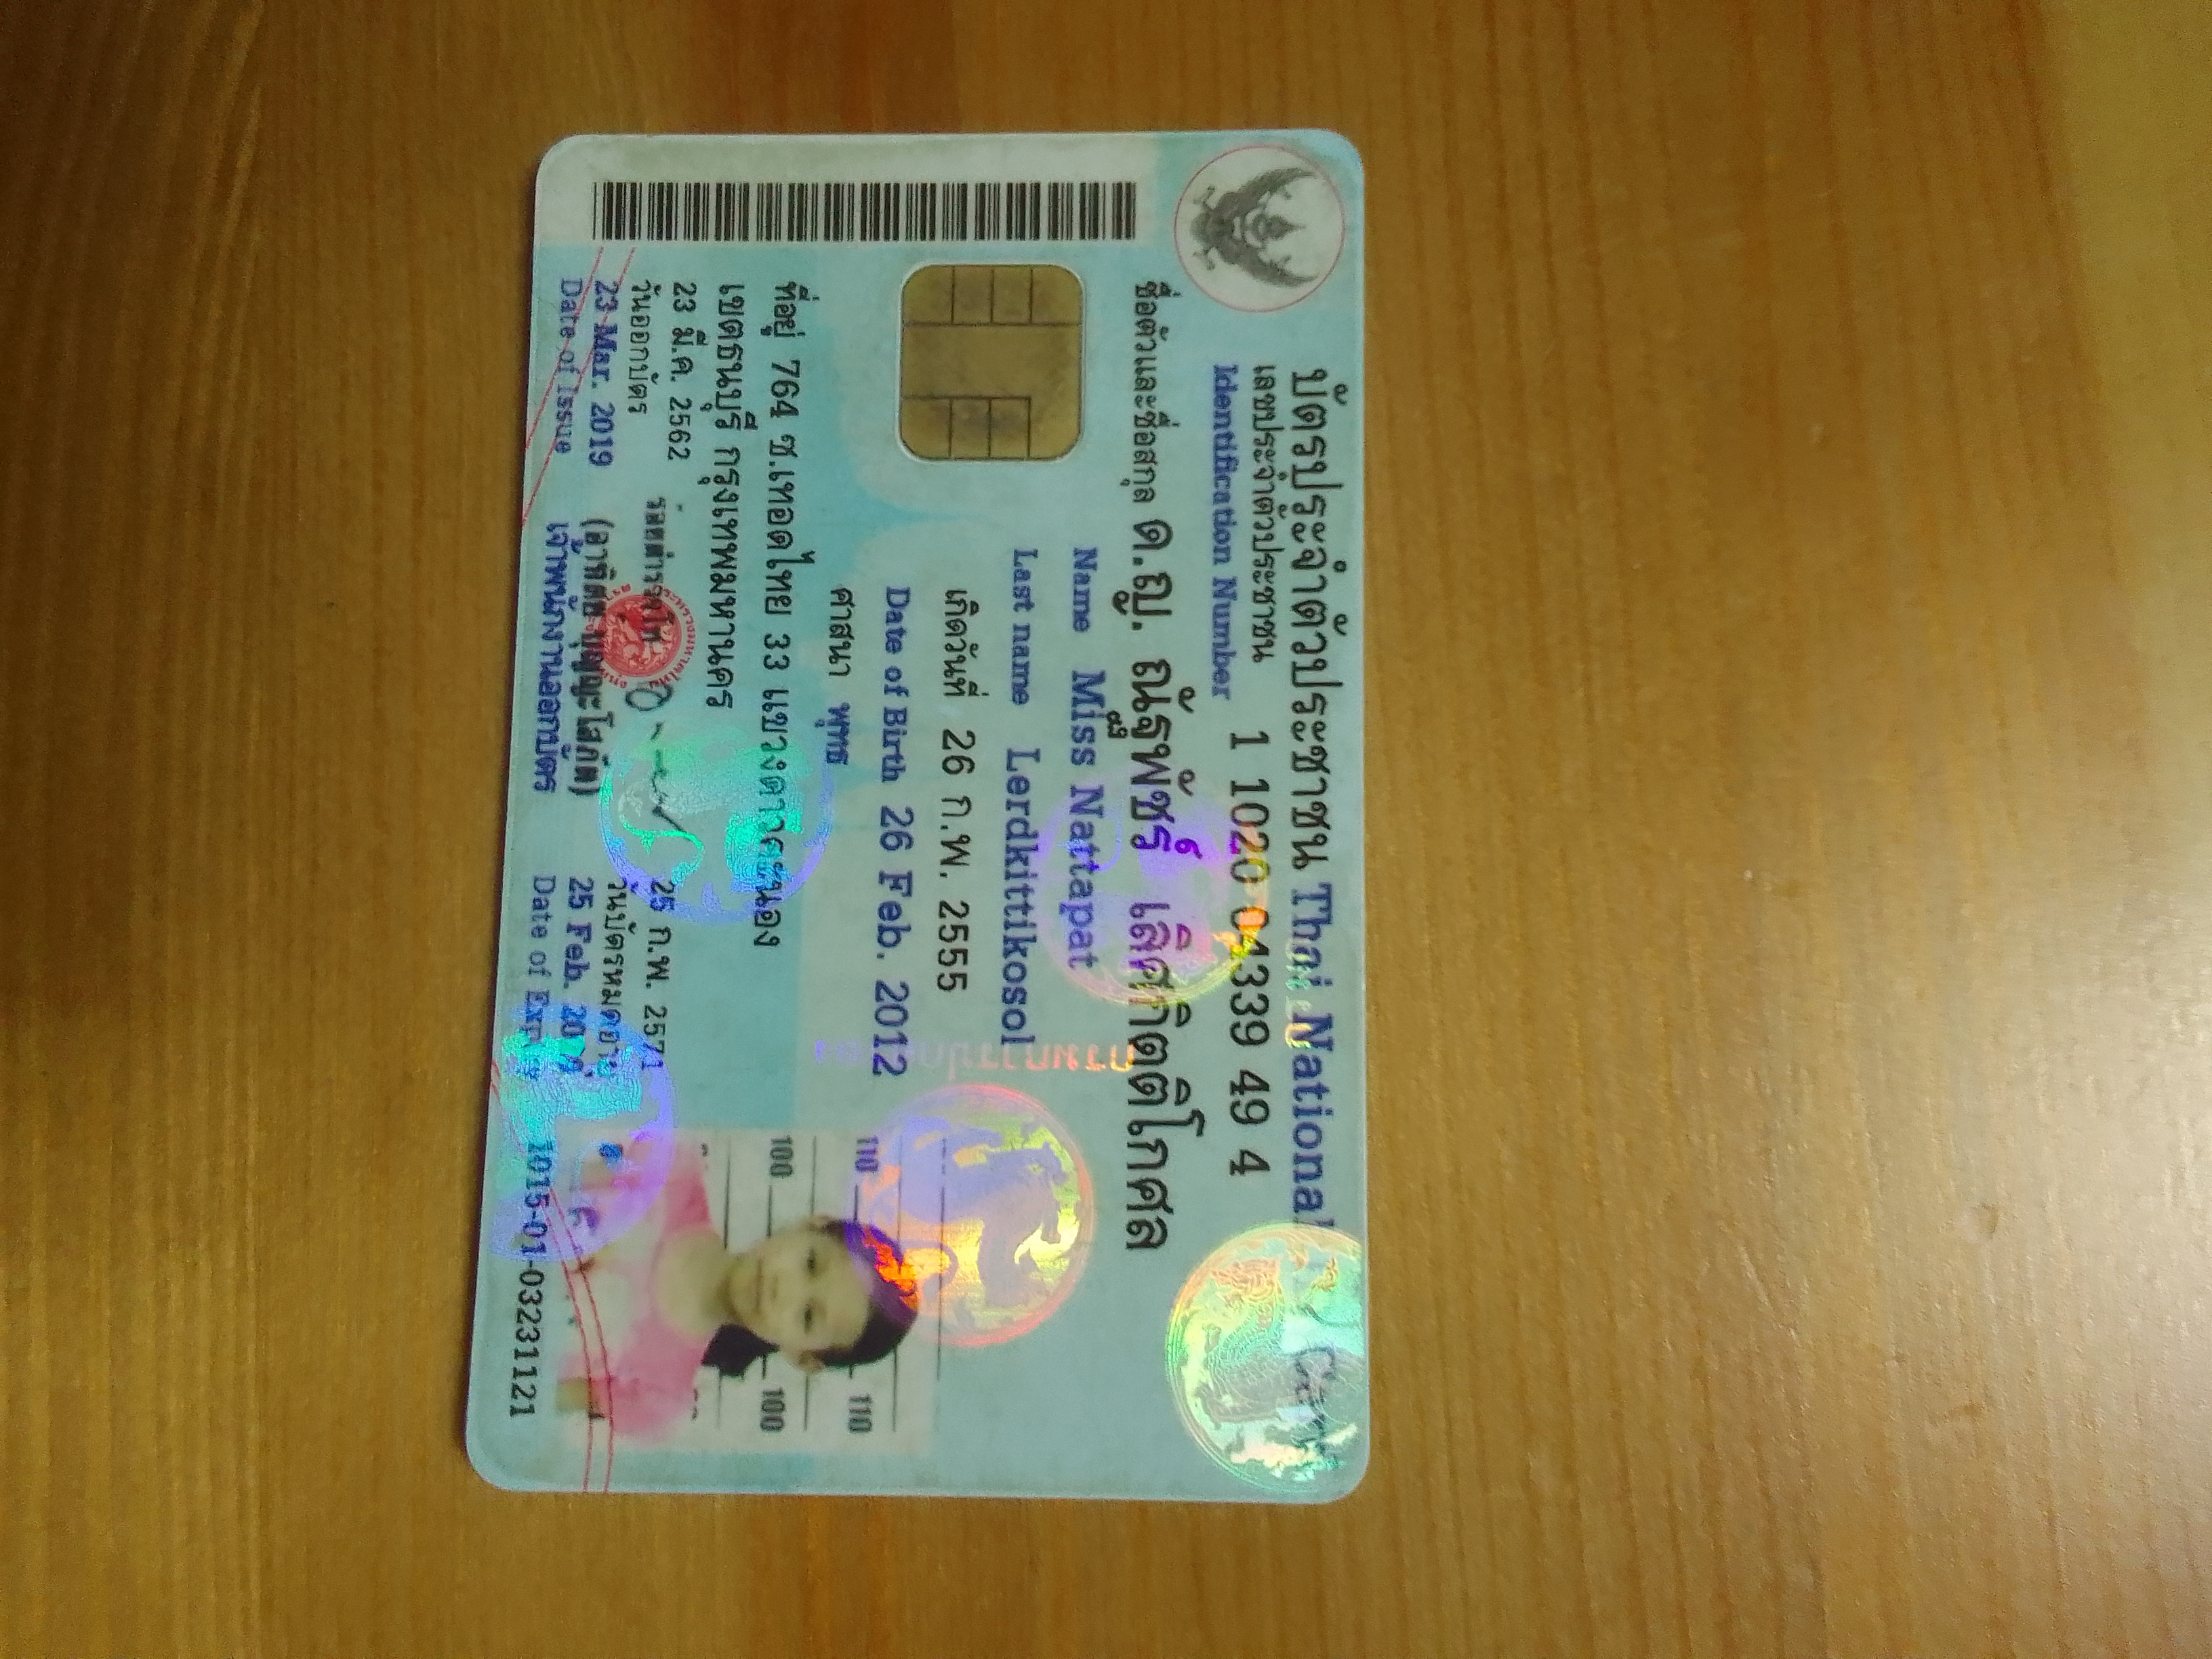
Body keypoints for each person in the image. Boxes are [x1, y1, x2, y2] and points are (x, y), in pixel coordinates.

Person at [553, 1144, 918, 1435]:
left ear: (803, 1357)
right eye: (810, 1263)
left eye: (808, 1316)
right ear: (808, 1224)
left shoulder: (659, 1397)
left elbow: (532, 1398)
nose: (784, 1288)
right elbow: (542, 1174)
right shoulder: (671, 1173)